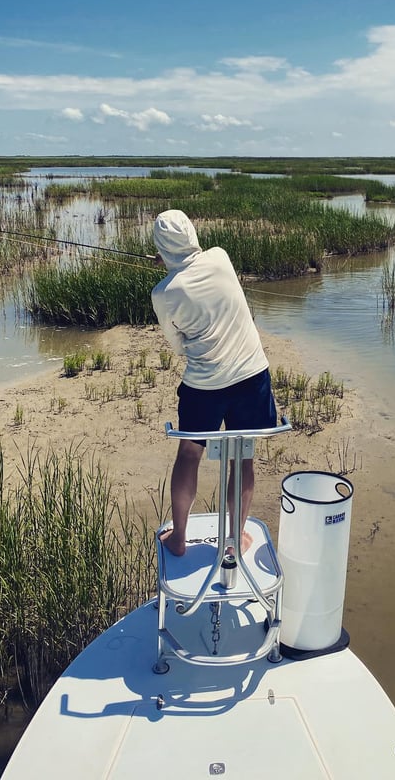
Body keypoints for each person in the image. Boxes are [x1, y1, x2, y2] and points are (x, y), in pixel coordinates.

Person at [150, 209, 277, 557]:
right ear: (192, 233)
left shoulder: (162, 294)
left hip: (204, 386)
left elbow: (177, 347)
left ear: (160, 248)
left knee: (189, 454)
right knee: (243, 456)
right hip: (252, 375)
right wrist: (173, 262)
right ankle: (233, 541)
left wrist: (169, 268)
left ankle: (179, 539)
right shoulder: (220, 257)